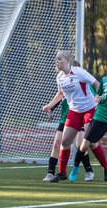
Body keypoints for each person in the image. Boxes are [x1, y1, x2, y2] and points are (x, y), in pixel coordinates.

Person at [42, 50, 99, 183]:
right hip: (73, 112)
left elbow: (96, 84)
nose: (57, 61)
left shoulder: (79, 72)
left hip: (88, 110)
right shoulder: (60, 77)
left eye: (59, 59)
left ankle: (92, 170)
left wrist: (100, 97)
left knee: (87, 143)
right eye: (56, 59)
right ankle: (61, 173)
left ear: (67, 61)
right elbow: (61, 94)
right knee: (64, 142)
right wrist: (50, 106)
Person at [42, 97, 94, 182]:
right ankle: (51, 173)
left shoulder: (83, 85)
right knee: (57, 144)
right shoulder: (63, 84)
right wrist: (50, 108)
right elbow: (60, 95)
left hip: (79, 116)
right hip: (65, 118)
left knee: (80, 145)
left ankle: (89, 171)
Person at [68, 75, 107, 182]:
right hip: (101, 117)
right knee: (84, 145)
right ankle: (75, 168)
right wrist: (97, 98)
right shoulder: (104, 80)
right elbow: (97, 96)